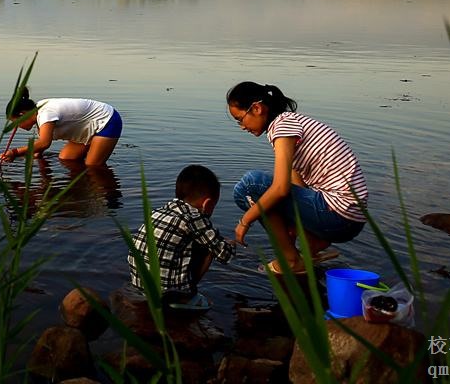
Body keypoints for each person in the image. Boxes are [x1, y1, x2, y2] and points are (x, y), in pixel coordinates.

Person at [227, 81, 367, 274]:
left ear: (257, 108)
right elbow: (295, 179)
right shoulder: (289, 122)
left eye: (240, 119)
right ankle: (312, 242)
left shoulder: (282, 126)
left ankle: (290, 259)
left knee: (250, 186)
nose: (242, 127)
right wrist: (293, 225)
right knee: (259, 191)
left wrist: (245, 221)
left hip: (339, 215)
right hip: (349, 217)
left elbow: (281, 189)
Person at [128, 164, 235, 303]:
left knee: (195, 240)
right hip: (168, 293)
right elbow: (225, 255)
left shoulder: (159, 211)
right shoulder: (194, 217)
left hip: (138, 285)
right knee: (209, 249)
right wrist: (230, 244)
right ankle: (187, 297)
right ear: (207, 204)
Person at [0, 87, 121, 166]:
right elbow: (39, 150)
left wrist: (15, 152)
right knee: (66, 159)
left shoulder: (45, 113)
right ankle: (81, 185)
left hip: (106, 120)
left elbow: (44, 143)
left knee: (92, 166)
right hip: (87, 128)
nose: (16, 127)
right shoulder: (39, 116)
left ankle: (105, 192)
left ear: (23, 114)